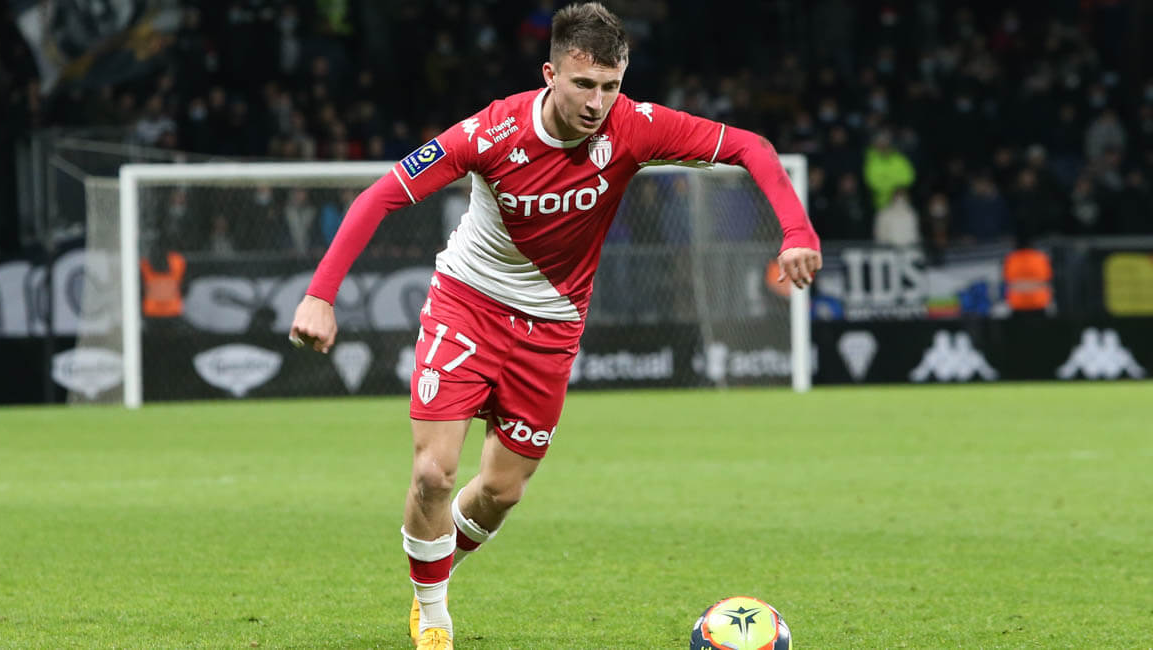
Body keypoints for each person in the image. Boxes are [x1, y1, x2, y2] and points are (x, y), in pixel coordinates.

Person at [288, 4, 821, 648]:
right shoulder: (491, 131)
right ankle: (431, 613)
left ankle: (435, 565)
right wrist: (319, 295)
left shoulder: (634, 127)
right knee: (434, 473)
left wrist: (796, 230)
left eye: (611, 86)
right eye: (583, 84)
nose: (597, 102)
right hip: (468, 302)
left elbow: (750, 147)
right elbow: (381, 195)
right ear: (550, 74)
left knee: (502, 492)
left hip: (553, 325)